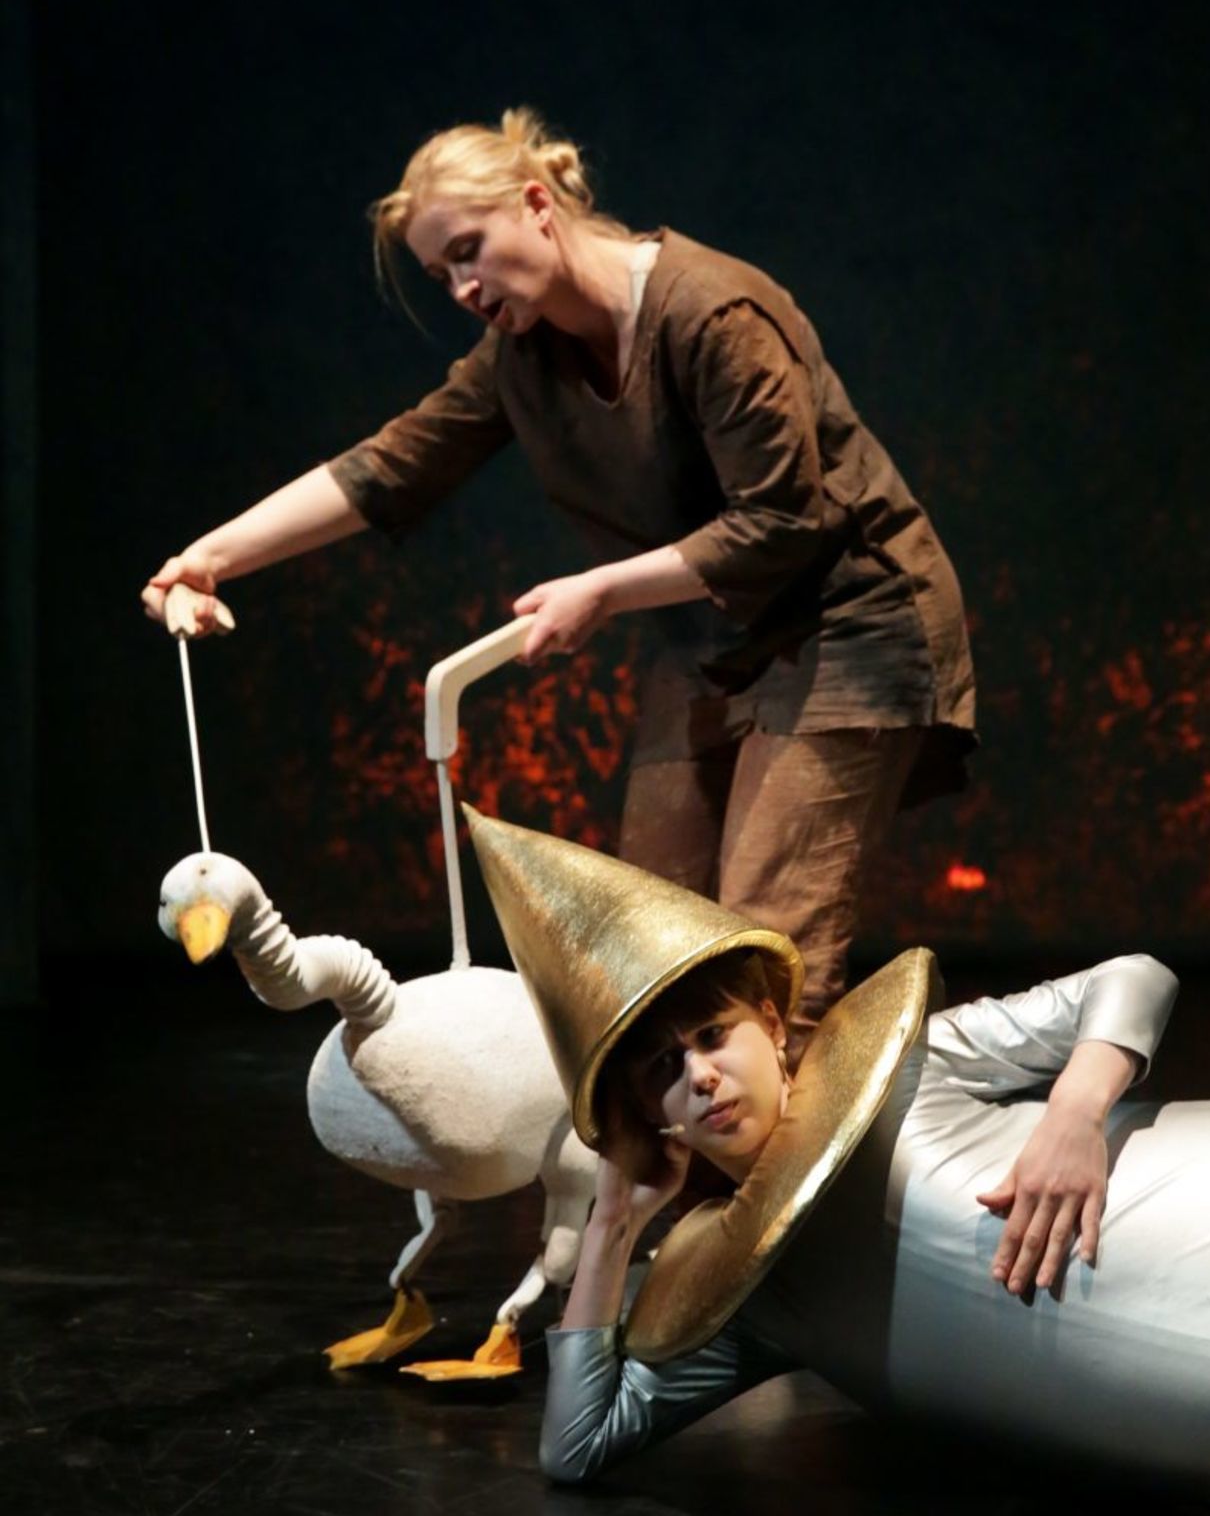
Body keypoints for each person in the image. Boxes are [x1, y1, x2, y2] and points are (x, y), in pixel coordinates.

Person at [141, 109, 976, 1036]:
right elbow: (390, 465)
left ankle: (805, 1130)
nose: (463, 288)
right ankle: (675, 1139)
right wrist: (209, 559)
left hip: (846, 623)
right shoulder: (519, 357)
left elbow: (782, 520)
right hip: (713, 644)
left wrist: (604, 589)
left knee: (765, 961)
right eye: (441, 274)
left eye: (469, 251)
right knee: (650, 955)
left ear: (538, 205)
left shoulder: (712, 313)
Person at [462, 806, 1210, 1513]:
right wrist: (609, 1225)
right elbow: (577, 1445)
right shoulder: (744, 1288)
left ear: (772, 1025)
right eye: (665, 1070)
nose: (700, 1076)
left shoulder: (905, 1068)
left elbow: (1133, 978)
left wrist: (1075, 1116)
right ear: (650, 1114)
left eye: (713, 1036)